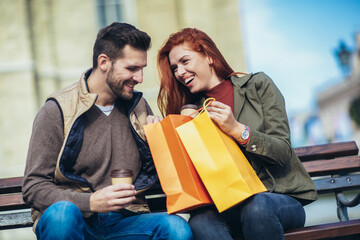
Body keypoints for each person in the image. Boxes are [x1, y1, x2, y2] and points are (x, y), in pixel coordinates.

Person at [22, 22, 192, 240]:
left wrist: (159, 144)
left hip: (126, 220)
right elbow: (33, 187)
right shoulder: (57, 110)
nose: (139, 78)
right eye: (132, 69)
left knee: (176, 229)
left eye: (142, 69)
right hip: (76, 221)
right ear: (104, 62)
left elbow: (160, 177)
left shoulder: (139, 107)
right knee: (62, 215)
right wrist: (91, 202)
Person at [157, 28, 317, 240]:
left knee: (257, 206)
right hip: (227, 206)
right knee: (200, 222)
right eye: (175, 68)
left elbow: (282, 151)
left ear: (208, 56)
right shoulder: (191, 112)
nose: (179, 72)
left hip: (277, 199)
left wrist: (238, 130)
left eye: (185, 61)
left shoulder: (257, 86)